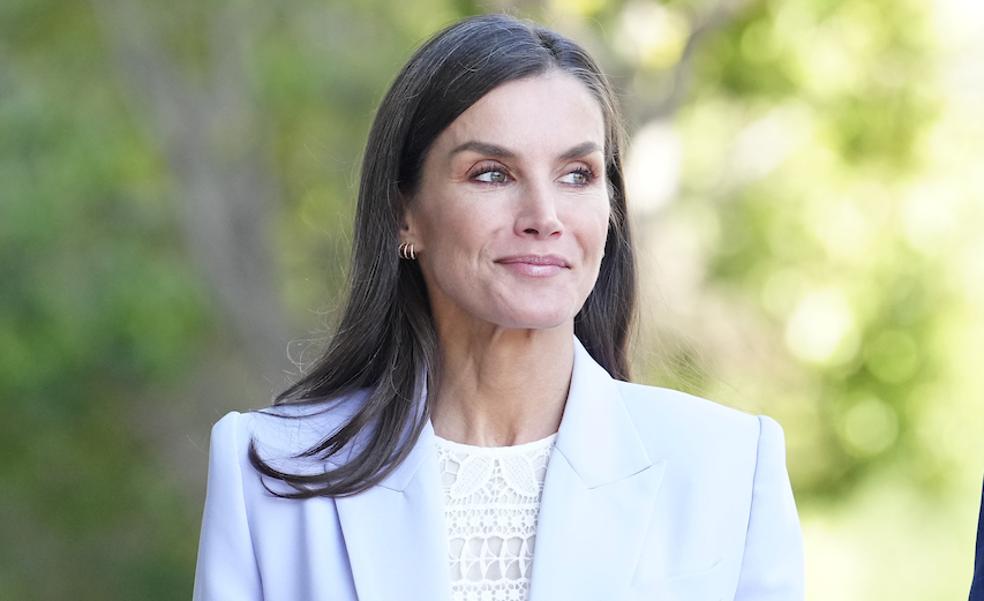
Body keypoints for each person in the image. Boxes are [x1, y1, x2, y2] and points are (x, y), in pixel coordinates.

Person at [192, 13, 804, 601]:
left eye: (577, 174)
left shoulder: (727, 468)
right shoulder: (271, 471)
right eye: (491, 174)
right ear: (404, 212)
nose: (544, 217)